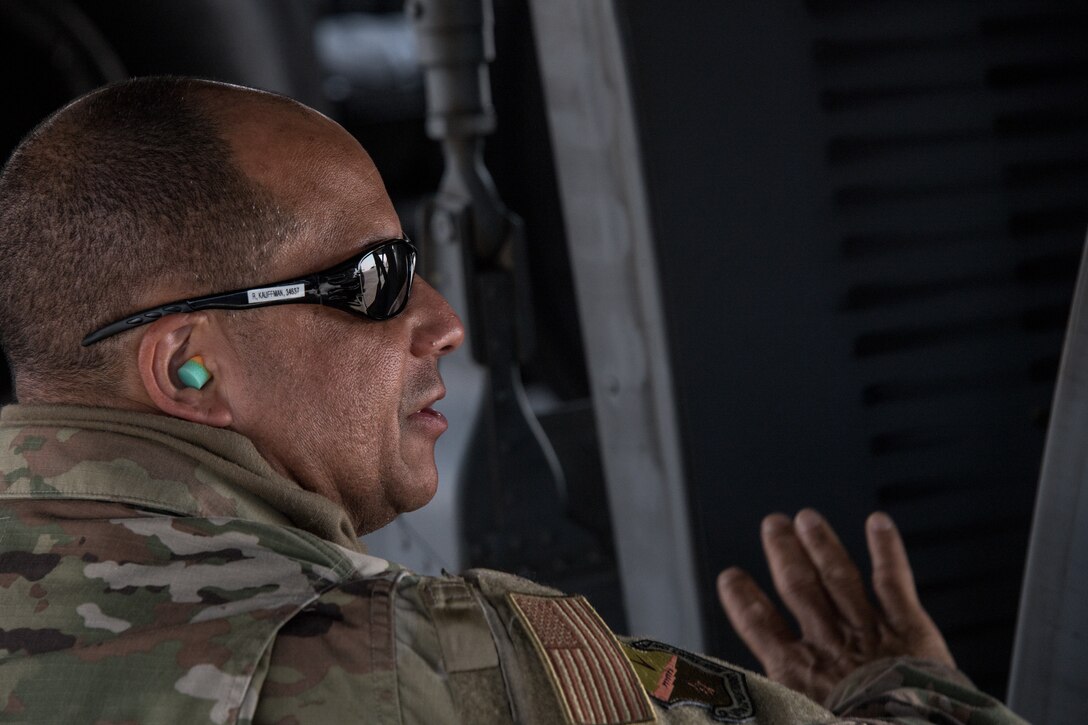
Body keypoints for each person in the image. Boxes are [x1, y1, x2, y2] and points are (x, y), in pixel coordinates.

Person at [0, 77, 1025, 724]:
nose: (441, 321)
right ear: (190, 364)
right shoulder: (430, 665)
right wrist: (906, 687)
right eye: (372, 280)